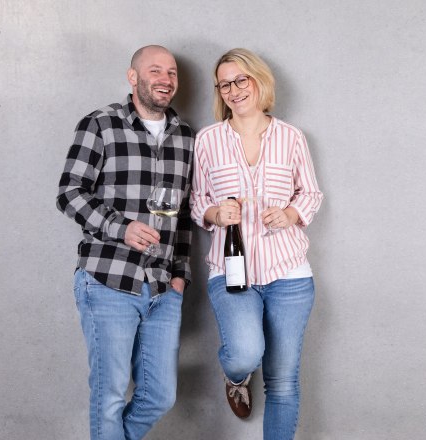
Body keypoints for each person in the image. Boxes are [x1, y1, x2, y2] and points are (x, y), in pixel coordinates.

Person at [56, 45, 194, 440]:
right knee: (111, 396)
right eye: (155, 70)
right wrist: (122, 228)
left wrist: (180, 275)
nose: (166, 79)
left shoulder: (185, 136)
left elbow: (184, 215)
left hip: (164, 287)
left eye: (172, 73)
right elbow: (69, 193)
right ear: (133, 77)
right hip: (108, 280)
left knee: (159, 396)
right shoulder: (100, 124)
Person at [190, 48, 323, 439]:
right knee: (246, 352)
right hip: (231, 270)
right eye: (225, 84)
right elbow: (197, 200)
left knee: (282, 381)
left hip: (289, 272)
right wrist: (216, 214)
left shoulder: (291, 137)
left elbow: (311, 194)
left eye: (240, 80)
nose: (233, 90)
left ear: (258, 80)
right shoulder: (208, 140)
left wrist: (291, 215)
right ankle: (235, 376)